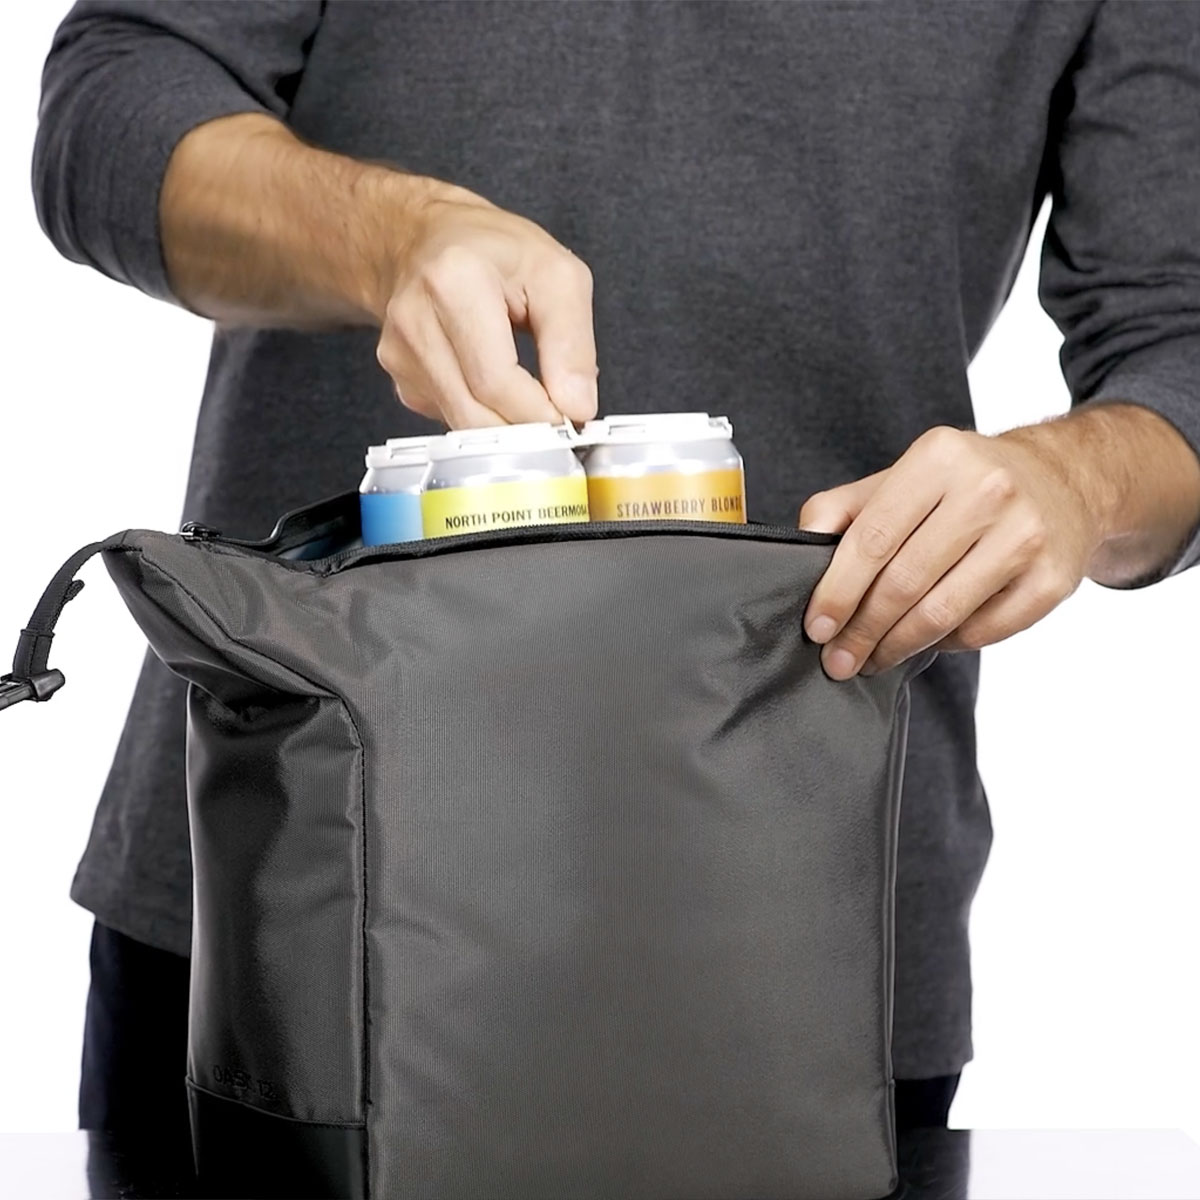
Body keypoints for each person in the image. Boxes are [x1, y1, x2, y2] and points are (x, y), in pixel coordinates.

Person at [34, 0, 1200, 1146]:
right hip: (289, 908)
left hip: (806, 949)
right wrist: (389, 236)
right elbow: (110, 102)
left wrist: (1082, 476)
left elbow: (1178, 335)